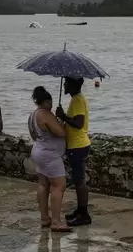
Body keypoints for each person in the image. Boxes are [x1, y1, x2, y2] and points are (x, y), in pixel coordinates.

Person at [28, 86, 72, 232]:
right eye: (50, 102)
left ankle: (45, 218)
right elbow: (61, 132)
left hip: (38, 151)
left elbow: (34, 135)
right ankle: (56, 222)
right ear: (45, 101)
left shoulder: (33, 115)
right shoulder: (45, 114)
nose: (51, 105)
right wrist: (62, 122)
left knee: (43, 184)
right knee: (59, 186)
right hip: (50, 155)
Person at [56, 77, 92, 227]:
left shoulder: (77, 100)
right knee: (78, 180)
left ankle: (84, 214)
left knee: (79, 181)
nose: (64, 85)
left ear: (73, 85)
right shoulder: (76, 99)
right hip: (77, 145)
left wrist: (63, 116)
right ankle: (80, 210)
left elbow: (79, 123)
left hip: (78, 146)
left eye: (66, 82)